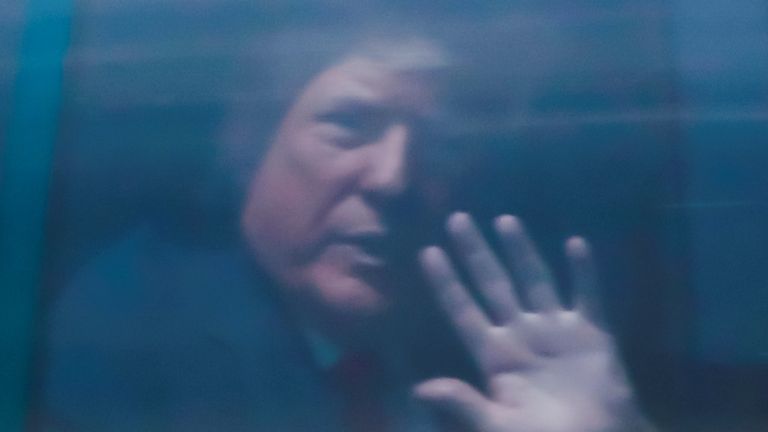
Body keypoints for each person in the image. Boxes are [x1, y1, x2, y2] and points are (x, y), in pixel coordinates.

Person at [39, 35, 654, 432]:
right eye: (349, 124)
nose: (395, 177)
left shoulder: (496, 339)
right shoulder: (135, 320)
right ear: (247, 142)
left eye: (442, 146)